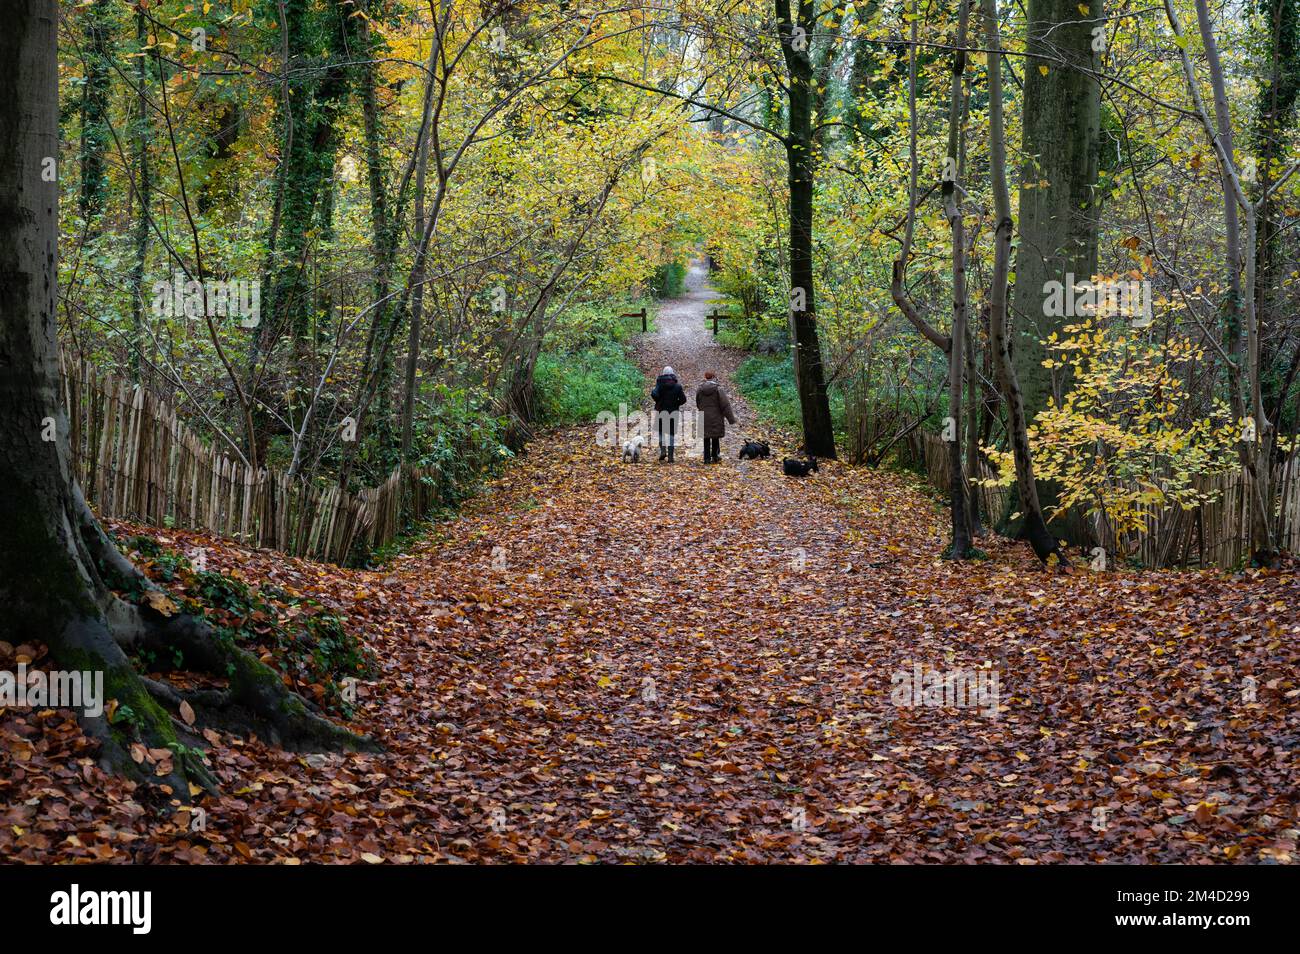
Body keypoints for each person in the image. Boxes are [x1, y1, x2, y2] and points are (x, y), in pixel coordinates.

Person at [695, 371, 736, 464]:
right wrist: (731, 419)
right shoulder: (718, 389)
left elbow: (698, 402)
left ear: (705, 377)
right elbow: (725, 405)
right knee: (715, 436)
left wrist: (702, 409)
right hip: (716, 416)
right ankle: (715, 456)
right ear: (714, 377)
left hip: (704, 416)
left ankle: (706, 458)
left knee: (706, 437)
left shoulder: (700, 389)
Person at [651, 366, 686, 462]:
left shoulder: (659, 384)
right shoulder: (677, 386)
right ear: (672, 373)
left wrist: (657, 401)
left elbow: (654, 394)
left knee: (661, 432)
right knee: (671, 434)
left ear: (663, 373)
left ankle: (663, 450)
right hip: (673, 412)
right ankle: (670, 457)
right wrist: (676, 404)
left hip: (661, 410)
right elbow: (683, 400)